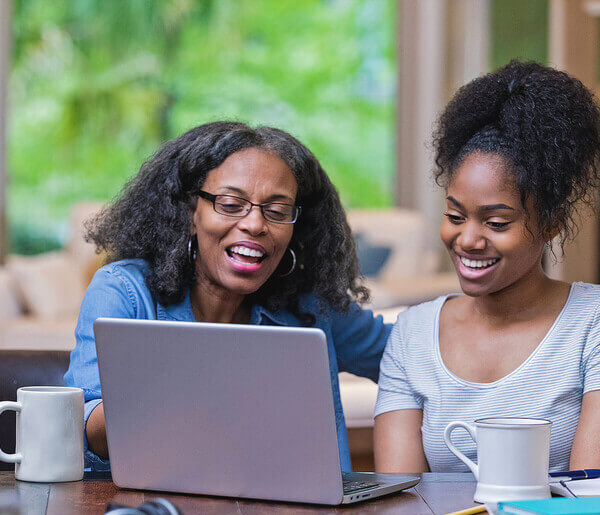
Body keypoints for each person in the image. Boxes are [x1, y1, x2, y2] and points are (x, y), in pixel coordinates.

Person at [373, 61, 600, 473]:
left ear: (552, 223)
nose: (467, 239)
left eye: (497, 222)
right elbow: (400, 500)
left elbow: (590, 499)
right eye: (455, 216)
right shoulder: (413, 335)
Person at [64, 121, 391, 471]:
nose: (254, 224)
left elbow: (405, 354)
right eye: (231, 203)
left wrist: (454, 308)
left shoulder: (311, 306)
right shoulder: (124, 292)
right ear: (191, 213)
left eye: (277, 211)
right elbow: (85, 429)